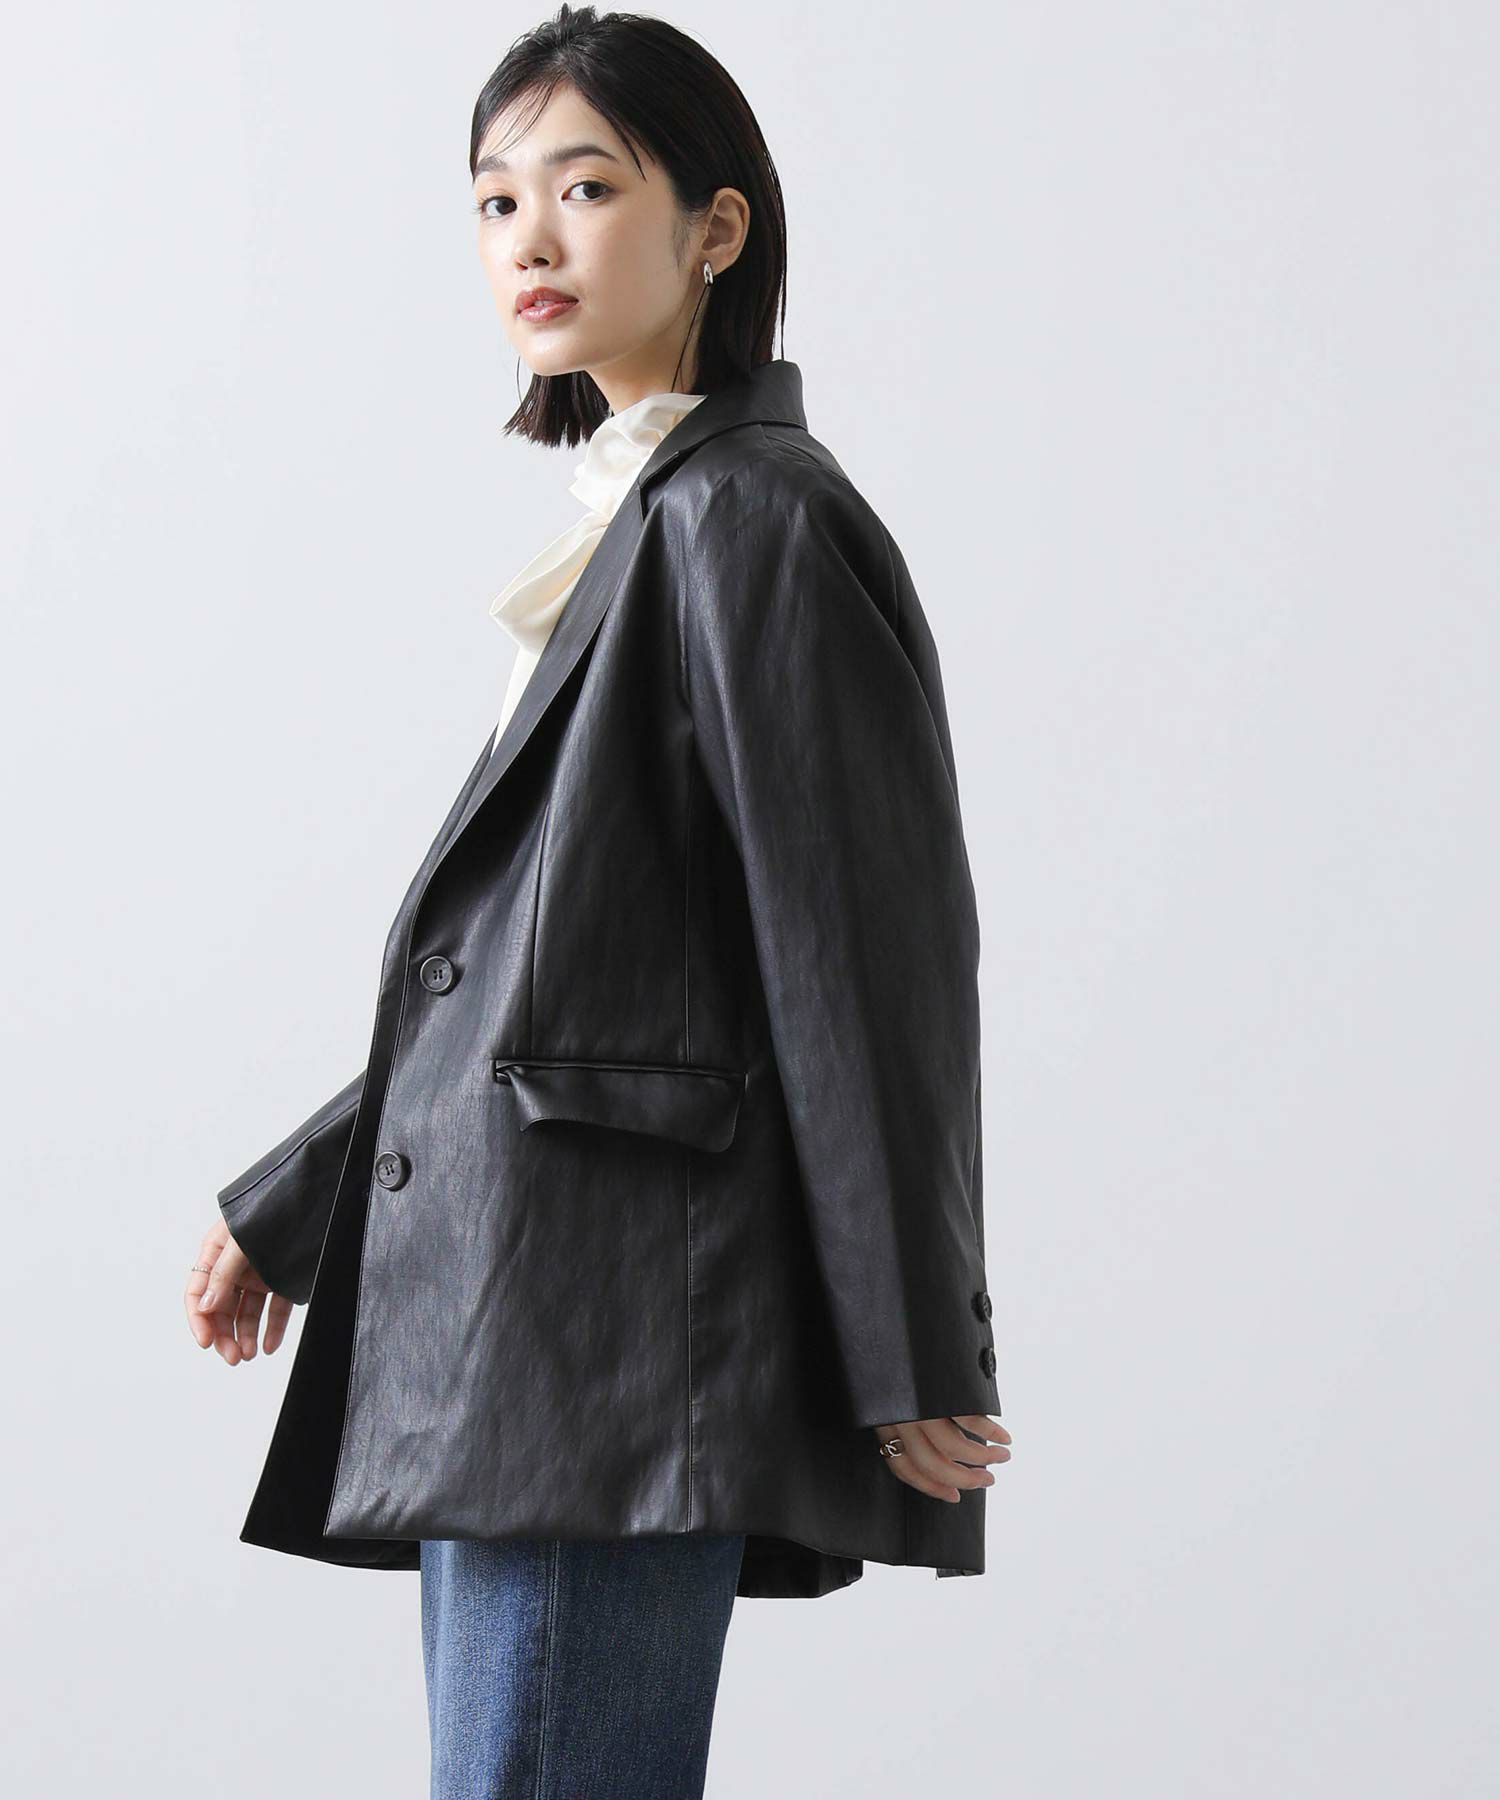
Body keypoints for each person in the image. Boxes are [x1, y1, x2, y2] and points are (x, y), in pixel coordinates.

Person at [185, 7, 1012, 1796]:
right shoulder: (642, 521)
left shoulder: (752, 520)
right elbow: (560, 971)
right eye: (496, 202)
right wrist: (306, 1201)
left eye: (585, 186)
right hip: (533, 1325)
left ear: (717, 228)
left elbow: (860, 957)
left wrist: (914, 1339)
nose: (531, 240)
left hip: (606, 1340)